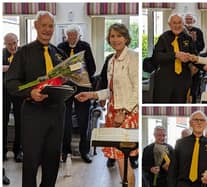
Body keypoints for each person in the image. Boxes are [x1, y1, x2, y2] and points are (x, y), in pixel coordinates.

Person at [6, 11, 67, 187]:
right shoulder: (23, 53)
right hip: (33, 115)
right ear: (36, 26)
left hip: (56, 114)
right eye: (44, 25)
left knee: (52, 162)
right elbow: (10, 82)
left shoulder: (59, 54)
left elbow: (64, 81)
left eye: (51, 26)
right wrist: (29, 93)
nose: (47, 30)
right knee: (31, 162)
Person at [75, 23, 138, 187]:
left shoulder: (133, 57)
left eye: (119, 35)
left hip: (127, 113)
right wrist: (90, 95)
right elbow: (111, 91)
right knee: (119, 158)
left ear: (126, 38)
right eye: (112, 36)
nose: (115, 39)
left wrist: (123, 112)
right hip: (113, 112)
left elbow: (137, 91)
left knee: (124, 159)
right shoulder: (111, 60)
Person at [58, 24, 96, 163]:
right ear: (66, 36)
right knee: (65, 120)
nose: (72, 38)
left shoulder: (85, 46)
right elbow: (57, 67)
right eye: (69, 35)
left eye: (74, 35)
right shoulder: (60, 47)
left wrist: (78, 72)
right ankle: (65, 151)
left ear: (79, 35)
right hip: (65, 88)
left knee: (83, 120)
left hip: (82, 88)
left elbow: (92, 67)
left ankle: (84, 151)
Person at [168, 111, 207, 187]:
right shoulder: (180, 143)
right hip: (182, 184)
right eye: (196, 120)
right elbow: (172, 169)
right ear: (190, 123)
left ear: (206, 124)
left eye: (202, 120)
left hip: (203, 184)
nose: (199, 122)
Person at [152, 13, 196, 103]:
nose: (177, 25)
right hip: (165, 80)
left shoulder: (188, 38)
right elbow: (156, 57)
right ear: (169, 25)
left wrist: (201, 66)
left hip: (183, 80)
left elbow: (195, 56)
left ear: (183, 24)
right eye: (174, 23)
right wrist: (175, 55)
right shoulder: (163, 38)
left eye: (179, 22)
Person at [3, 33, 23, 162]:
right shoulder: (1, 53)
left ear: (18, 41)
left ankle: (18, 151)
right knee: (2, 121)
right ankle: (2, 152)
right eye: (9, 44)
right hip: (3, 91)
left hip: (19, 91)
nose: (12, 46)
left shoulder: (23, 53)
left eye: (14, 43)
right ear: (5, 44)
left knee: (20, 122)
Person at [184, 14, 205, 103]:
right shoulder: (181, 31)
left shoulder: (198, 31)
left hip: (196, 62)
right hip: (184, 63)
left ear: (194, 21)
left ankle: (193, 102)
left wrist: (194, 41)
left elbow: (201, 47)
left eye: (190, 19)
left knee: (194, 86)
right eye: (187, 19)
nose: (188, 21)